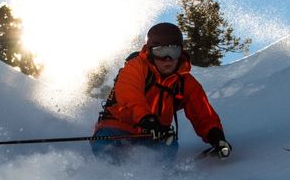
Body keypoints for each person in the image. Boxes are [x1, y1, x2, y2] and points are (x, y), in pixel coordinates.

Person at [91, 22, 231, 161]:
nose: (167, 59)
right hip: (118, 127)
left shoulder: (184, 81)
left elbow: (202, 112)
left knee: (166, 152)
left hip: (155, 134)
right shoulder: (137, 67)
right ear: (150, 52)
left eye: (173, 51)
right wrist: (146, 119)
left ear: (180, 52)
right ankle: (110, 179)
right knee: (105, 149)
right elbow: (129, 95)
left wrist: (215, 135)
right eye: (160, 52)